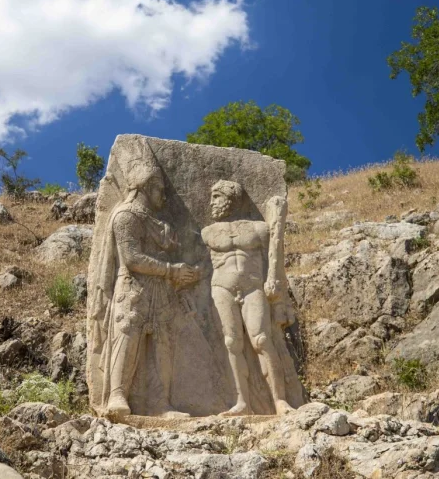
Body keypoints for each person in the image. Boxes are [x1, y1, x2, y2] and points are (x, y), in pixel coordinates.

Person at [87, 140, 199, 418]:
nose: (164, 195)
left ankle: (162, 403)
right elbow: (132, 259)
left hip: (159, 290)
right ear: (146, 187)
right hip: (132, 288)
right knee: (128, 338)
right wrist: (172, 270)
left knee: (164, 343)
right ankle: (117, 396)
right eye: (159, 189)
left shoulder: (154, 220)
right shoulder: (125, 216)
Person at [201, 180, 293, 415]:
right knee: (232, 342)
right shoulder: (207, 232)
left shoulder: (259, 228)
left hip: (253, 287)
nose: (212, 203)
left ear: (231, 199)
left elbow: (275, 256)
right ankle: (242, 402)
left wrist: (275, 281)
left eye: (217, 197)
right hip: (221, 287)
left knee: (261, 340)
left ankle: (280, 400)